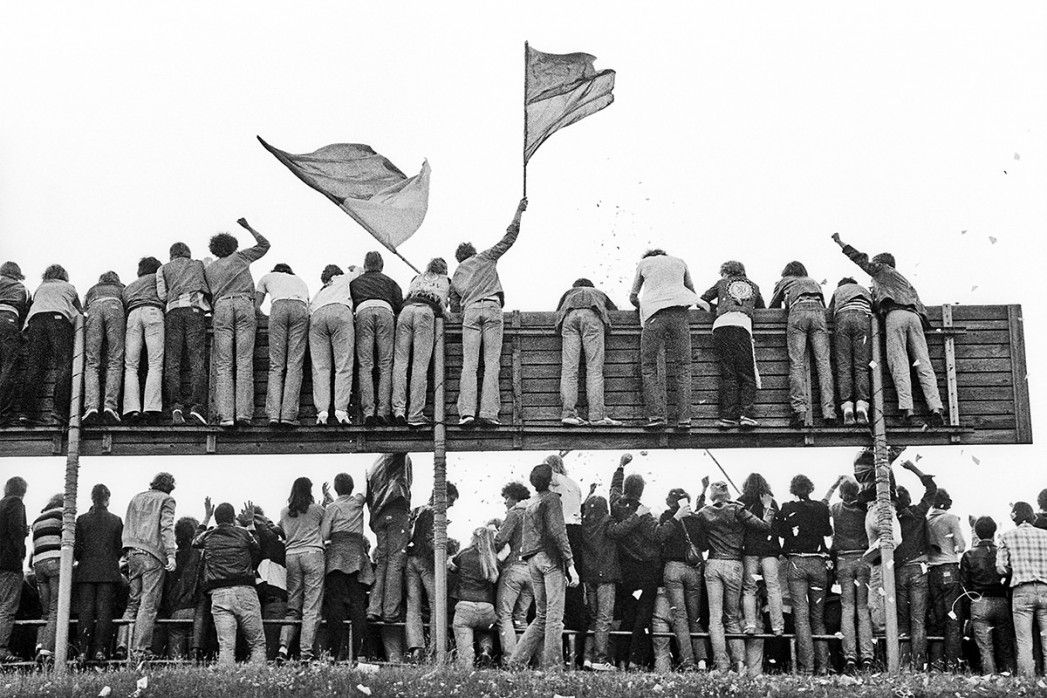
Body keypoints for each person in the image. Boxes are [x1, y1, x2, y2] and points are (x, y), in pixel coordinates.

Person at [832, 232, 945, 426]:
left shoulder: (882, 271)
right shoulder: (905, 282)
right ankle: (935, 408)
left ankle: (907, 409)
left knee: (899, 363)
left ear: (881, 264)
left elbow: (860, 259)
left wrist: (841, 242)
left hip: (896, 316)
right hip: (915, 318)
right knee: (924, 364)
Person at [450, 197, 528, 428]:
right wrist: (518, 211)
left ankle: (466, 412)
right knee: (492, 363)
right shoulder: (484, 257)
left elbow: (454, 307)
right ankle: (489, 413)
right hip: (492, 308)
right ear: (472, 252)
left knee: (470, 364)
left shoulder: (456, 274)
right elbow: (509, 237)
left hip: (470, 312)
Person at [693, 480, 775, 673]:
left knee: (715, 619)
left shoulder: (704, 512)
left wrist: (702, 491)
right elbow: (764, 526)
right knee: (731, 617)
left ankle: (721, 664)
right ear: (727, 493)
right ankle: (739, 662)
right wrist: (768, 508)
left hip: (712, 564)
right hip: (734, 565)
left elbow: (693, 517)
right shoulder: (738, 510)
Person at [507, 463, 578, 671]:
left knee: (542, 616)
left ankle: (516, 662)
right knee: (554, 617)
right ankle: (554, 669)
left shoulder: (531, 502)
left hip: (532, 559)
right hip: (550, 559)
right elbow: (558, 532)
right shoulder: (553, 499)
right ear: (549, 479)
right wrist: (570, 565)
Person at [629, 249, 709, 430]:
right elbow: (691, 292)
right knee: (684, 366)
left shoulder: (644, 263)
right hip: (679, 315)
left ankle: (656, 416)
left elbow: (633, 296)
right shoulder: (680, 261)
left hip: (654, 316)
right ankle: (684, 419)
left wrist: (642, 305)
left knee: (648, 366)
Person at [204, 218, 270, 427]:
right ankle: (244, 414)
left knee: (223, 364)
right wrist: (249, 227)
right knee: (244, 361)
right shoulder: (241, 257)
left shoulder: (210, 269)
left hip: (221, 307)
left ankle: (226, 416)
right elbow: (264, 245)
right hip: (243, 304)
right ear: (233, 245)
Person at [610, 453, 666, 669]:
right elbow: (658, 535)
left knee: (628, 613)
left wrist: (620, 466)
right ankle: (635, 659)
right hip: (647, 571)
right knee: (643, 615)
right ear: (642, 490)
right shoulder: (644, 514)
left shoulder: (617, 506)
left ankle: (621, 658)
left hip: (627, 570)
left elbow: (613, 489)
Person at [192, 501, 266, 664]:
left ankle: (226, 684)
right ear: (233, 518)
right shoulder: (243, 534)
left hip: (219, 594)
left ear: (216, 519)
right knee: (257, 644)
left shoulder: (208, 535)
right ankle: (259, 680)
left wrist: (206, 517)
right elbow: (257, 546)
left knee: (226, 646)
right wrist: (250, 522)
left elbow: (194, 541)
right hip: (245, 591)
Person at [773, 475, 832, 675]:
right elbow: (826, 531)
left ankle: (806, 667)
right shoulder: (821, 508)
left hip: (796, 562)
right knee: (818, 617)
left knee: (801, 617)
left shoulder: (787, 507)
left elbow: (780, 532)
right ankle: (823, 666)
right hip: (818, 562)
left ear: (793, 489)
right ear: (810, 488)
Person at [117, 472, 177, 660]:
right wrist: (171, 555)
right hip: (153, 554)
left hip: (132, 552)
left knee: (133, 600)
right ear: (169, 486)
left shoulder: (137, 498)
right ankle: (140, 650)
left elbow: (128, 524)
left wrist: (127, 550)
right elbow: (166, 527)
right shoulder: (167, 500)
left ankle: (122, 643)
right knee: (149, 603)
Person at [769, 262, 835, 428]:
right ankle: (829, 411)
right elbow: (825, 307)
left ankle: (799, 409)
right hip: (818, 314)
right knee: (823, 363)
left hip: (798, 310)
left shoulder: (785, 281)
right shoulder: (813, 282)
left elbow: (772, 307)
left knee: (796, 363)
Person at [700, 261, 765, 428]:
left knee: (728, 374)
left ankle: (727, 417)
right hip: (742, 327)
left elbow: (702, 301)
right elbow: (763, 309)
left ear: (726, 273)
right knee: (747, 375)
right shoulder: (754, 286)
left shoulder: (722, 283)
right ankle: (746, 415)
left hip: (721, 327)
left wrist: (719, 307)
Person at [19, 264, 82, 426]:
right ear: (64, 275)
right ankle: (59, 411)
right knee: (64, 365)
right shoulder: (69, 287)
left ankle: (27, 412)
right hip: (58, 319)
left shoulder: (40, 288)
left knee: (34, 365)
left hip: (36, 321)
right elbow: (79, 314)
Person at [156, 242, 210, 426]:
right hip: (195, 311)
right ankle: (196, 407)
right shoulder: (199, 264)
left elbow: (162, 295)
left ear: (171, 254)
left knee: (172, 362)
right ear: (188, 252)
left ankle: (176, 406)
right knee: (197, 361)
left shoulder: (163, 269)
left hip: (172, 313)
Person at [365, 452, 412, 662]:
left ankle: (374, 607)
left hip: (378, 514)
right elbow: (402, 449)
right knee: (395, 561)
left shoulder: (373, 466)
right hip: (396, 506)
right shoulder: (395, 456)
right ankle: (390, 610)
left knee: (383, 562)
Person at [555, 278, 621, 427]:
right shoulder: (598, 292)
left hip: (569, 319)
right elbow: (616, 313)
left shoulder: (568, 293)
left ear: (575, 287)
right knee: (594, 370)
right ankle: (596, 416)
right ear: (591, 286)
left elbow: (558, 312)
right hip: (592, 318)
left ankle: (568, 414)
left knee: (569, 370)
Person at [657, 485, 710, 671]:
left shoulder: (666, 517)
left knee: (679, 617)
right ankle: (702, 661)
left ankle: (688, 662)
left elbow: (660, 538)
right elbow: (704, 545)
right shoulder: (696, 520)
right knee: (694, 618)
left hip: (672, 568)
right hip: (693, 570)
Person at [392, 257, 450, 427]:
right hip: (425, 312)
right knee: (419, 366)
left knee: (400, 363)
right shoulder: (446, 280)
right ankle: (415, 414)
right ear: (444, 270)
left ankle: (398, 410)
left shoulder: (416, 278)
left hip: (406, 311)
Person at [892, 459, 938, 671]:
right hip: (919, 568)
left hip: (899, 569)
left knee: (902, 621)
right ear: (909, 499)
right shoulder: (918, 513)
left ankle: (903, 663)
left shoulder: (891, 519)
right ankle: (919, 665)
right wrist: (913, 468)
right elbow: (932, 488)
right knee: (918, 620)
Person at [405, 483, 459, 662]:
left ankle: (416, 648)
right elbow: (431, 540)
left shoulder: (417, 510)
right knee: (437, 604)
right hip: (427, 561)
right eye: (451, 500)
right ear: (443, 496)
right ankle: (437, 649)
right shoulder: (436, 514)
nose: (451, 505)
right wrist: (448, 548)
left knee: (413, 606)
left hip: (410, 559)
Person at [350, 251, 403, 426]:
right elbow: (398, 304)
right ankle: (383, 411)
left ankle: (368, 412)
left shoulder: (356, 282)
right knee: (386, 365)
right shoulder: (390, 281)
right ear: (381, 266)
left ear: (365, 265)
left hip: (363, 311)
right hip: (385, 311)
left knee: (365, 365)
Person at [827, 476, 874, 672]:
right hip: (864, 559)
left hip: (843, 561)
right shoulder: (864, 509)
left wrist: (833, 484)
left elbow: (822, 504)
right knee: (863, 610)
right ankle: (868, 656)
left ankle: (850, 656)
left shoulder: (835, 508)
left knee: (847, 609)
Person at [320, 472, 369, 662]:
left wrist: (328, 501)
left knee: (335, 605)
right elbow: (365, 490)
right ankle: (361, 653)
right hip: (357, 555)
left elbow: (324, 534)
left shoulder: (332, 508)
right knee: (358, 605)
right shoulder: (358, 501)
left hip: (336, 557)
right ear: (352, 486)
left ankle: (333, 653)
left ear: (335, 488)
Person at [276, 477, 325, 663]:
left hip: (291, 555)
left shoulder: (283, 512)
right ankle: (306, 652)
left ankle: (283, 648)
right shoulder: (318, 510)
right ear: (310, 490)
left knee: (293, 606)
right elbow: (325, 529)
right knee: (311, 606)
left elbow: (281, 529)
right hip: (313, 553)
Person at [255, 263, 310, 426]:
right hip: (300, 308)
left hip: (278, 307)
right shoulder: (300, 281)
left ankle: (273, 414)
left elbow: (256, 306)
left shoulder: (267, 277)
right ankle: (288, 415)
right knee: (294, 365)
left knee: (276, 365)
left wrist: (265, 318)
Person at [73, 484, 123, 662]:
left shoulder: (81, 519)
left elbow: (76, 550)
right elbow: (119, 549)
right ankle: (100, 650)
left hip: (86, 570)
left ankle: (82, 651)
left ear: (92, 498)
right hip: (108, 571)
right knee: (104, 611)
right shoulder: (116, 520)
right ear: (107, 499)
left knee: (85, 611)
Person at [997, 501, 1047, 678]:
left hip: (1022, 590)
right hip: (1045, 589)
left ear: (1015, 517)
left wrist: (1015, 569)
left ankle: (1027, 681)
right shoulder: (1045, 535)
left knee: (1024, 641)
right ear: (1032, 516)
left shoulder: (1007, 536)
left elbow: (1001, 568)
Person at [961, 516, 1015, 674]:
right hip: (1001, 601)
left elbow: (965, 585)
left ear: (976, 532)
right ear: (994, 531)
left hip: (979, 602)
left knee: (985, 648)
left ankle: (990, 679)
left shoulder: (968, 555)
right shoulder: (1002, 552)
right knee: (1005, 646)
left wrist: (967, 611)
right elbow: (1009, 574)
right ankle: (1010, 679)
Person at [580, 491, 627, 672]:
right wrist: (637, 516)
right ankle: (600, 659)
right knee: (604, 619)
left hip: (589, 576)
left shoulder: (584, 525)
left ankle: (587, 658)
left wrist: (588, 495)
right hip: (606, 576)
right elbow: (619, 530)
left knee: (594, 619)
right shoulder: (607, 521)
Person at [309, 264, 359, 425]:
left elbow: (309, 310)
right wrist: (354, 268)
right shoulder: (343, 279)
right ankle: (341, 410)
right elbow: (358, 272)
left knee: (320, 368)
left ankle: (322, 411)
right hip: (340, 313)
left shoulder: (320, 291)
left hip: (317, 317)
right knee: (343, 364)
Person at [738, 473, 784, 637]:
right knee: (773, 588)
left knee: (749, 589)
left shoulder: (741, 502)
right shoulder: (772, 502)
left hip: (749, 551)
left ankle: (750, 624)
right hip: (770, 551)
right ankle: (778, 626)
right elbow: (776, 528)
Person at [926, 488, 966, 670]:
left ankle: (936, 664)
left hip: (932, 572)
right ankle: (953, 664)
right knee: (953, 618)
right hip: (949, 567)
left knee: (937, 617)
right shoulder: (951, 519)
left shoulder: (926, 520)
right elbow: (961, 545)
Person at [449, 526, 500, 669]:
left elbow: (452, 567)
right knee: (485, 629)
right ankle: (485, 651)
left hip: (465, 607)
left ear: (474, 537)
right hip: (487, 609)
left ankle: (467, 667)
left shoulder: (464, 554)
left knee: (465, 634)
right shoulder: (493, 558)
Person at [122, 256, 166, 423]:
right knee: (155, 363)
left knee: (131, 366)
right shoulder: (158, 278)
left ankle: (131, 408)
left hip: (133, 315)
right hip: (153, 312)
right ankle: (151, 407)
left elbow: (124, 302)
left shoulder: (129, 287)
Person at [494, 481, 533, 658]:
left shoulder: (515, 514)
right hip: (532, 570)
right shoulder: (535, 513)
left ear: (515, 498)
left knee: (504, 615)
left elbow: (500, 540)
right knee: (521, 617)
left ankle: (510, 658)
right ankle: (522, 659)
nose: (505, 502)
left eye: (507, 498)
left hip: (514, 568)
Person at [81, 271, 125, 425]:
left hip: (94, 307)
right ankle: (110, 406)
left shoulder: (92, 289)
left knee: (92, 362)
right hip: (114, 306)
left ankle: (91, 407)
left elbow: (82, 308)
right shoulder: (121, 288)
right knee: (115, 360)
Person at [828, 277, 873, 425]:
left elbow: (829, 310)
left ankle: (847, 407)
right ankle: (861, 406)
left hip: (842, 320)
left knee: (844, 367)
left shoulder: (838, 291)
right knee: (861, 366)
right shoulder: (864, 290)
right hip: (862, 319)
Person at [161, 516, 203, 660]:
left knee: (175, 660)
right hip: (196, 610)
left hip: (175, 611)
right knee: (195, 661)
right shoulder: (200, 556)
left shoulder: (170, 558)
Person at [30, 493, 63, 661]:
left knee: (45, 610)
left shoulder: (37, 520)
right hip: (55, 561)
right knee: (56, 608)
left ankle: (39, 644)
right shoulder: (63, 514)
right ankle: (47, 650)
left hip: (38, 564)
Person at [0, 476, 28, 662]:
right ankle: (1, 649)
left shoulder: (1, 504)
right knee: (7, 606)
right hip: (9, 562)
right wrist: (22, 551)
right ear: (22, 490)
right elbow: (15, 529)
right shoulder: (16, 503)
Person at [0, 262, 31, 427]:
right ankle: (3, 414)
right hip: (9, 319)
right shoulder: (22, 289)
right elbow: (26, 315)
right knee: (8, 367)